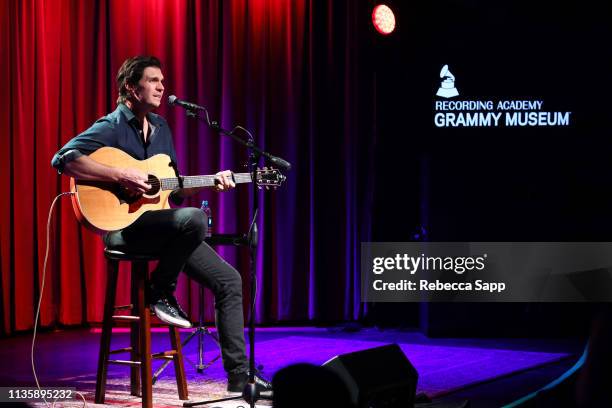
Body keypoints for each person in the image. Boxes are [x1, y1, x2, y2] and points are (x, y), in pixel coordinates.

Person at [51, 55, 271, 393]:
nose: (162, 86)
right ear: (130, 87)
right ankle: (160, 291)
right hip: (124, 231)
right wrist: (119, 173)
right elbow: (63, 159)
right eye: (153, 80)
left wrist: (214, 180)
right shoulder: (111, 125)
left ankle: (239, 376)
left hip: (162, 229)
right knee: (195, 219)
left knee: (229, 280)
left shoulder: (161, 127)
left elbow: (172, 188)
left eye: (162, 81)